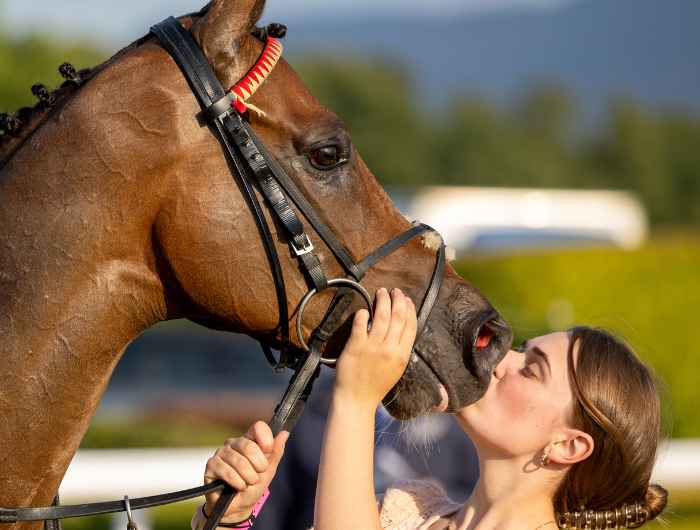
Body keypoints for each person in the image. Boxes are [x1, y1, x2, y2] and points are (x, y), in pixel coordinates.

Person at [191, 288, 668, 530]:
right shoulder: (409, 508)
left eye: (533, 369)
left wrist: (357, 399)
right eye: (522, 348)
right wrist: (231, 518)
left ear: (568, 445)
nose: (504, 361)